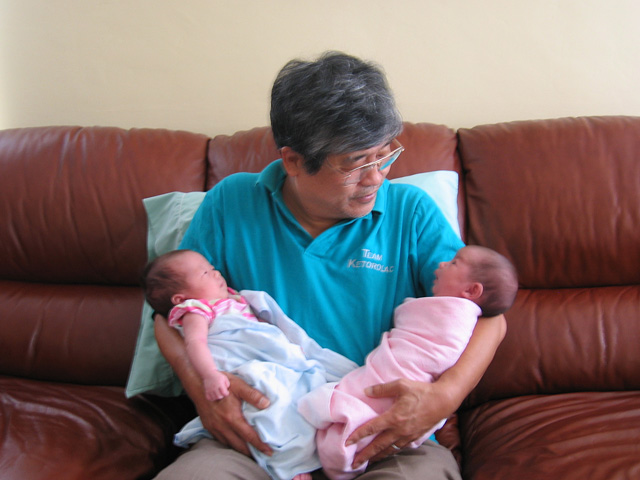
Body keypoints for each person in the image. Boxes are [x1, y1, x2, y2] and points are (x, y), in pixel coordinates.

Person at [153, 51, 507, 480]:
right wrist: (202, 389)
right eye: (356, 162)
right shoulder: (231, 202)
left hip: (381, 434)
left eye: (383, 155)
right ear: (295, 161)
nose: (376, 177)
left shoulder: (410, 212)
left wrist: (444, 397)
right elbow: (167, 315)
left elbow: (489, 316)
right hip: (261, 432)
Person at [298, 245, 518, 479]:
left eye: (452, 263)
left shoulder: (413, 213)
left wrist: (448, 393)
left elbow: (491, 317)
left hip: (399, 437)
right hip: (279, 407)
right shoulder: (253, 222)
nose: (443, 264)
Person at [142, 249, 358, 480]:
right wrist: (209, 376)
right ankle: (291, 464)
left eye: (213, 268)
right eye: (206, 272)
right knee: (272, 407)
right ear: (180, 299)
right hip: (244, 371)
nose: (216, 273)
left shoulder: (233, 300)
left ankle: (320, 447)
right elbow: (195, 343)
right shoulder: (196, 309)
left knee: (303, 397)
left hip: (275, 362)